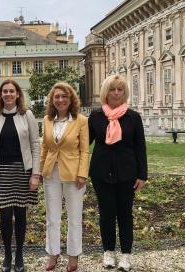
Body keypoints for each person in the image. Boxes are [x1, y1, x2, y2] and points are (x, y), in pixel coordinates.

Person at [88, 74, 147, 272]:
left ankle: (126, 255)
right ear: (106, 92)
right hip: (101, 172)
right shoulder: (96, 116)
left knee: (125, 214)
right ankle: (108, 252)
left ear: (124, 92)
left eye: (120, 89)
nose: (116, 93)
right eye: (112, 89)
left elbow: (140, 148)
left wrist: (142, 175)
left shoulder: (133, 117)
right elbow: (83, 144)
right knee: (106, 214)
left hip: (127, 173)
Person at [0, 79, 40, 272]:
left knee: (21, 214)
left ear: (17, 94)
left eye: (11, 91)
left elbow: (35, 145)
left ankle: (20, 255)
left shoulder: (27, 115)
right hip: (1, 172)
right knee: (5, 215)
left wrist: (35, 174)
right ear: (1, 94)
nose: (8, 94)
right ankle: (7, 255)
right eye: (4, 91)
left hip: (23, 171)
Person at [40, 82, 89, 272]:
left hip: (74, 174)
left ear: (71, 100)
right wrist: (40, 170)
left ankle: (73, 255)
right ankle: (53, 253)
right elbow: (45, 147)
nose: (60, 100)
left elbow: (85, 150)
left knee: (74, 217)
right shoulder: (47, 120)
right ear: (52, 100)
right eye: (57, 97)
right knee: (52, 217)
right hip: (51, 173)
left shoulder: (81, 121)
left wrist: (82, 174)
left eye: (64, 97)